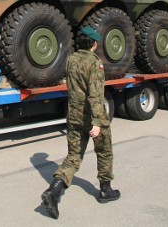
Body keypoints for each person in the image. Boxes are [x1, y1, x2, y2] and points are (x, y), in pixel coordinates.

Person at [41, 25, 120, 219]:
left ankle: (53, 191)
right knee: (104, 152)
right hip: (91, 117)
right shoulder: (95, 63)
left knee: (74, 157)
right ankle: (105, 190)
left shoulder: (71, 59)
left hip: (73, 115)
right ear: (93, 44)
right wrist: (96, 122)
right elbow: (95, 95)